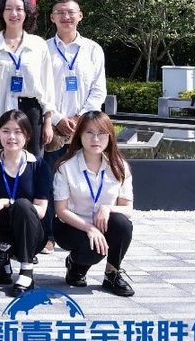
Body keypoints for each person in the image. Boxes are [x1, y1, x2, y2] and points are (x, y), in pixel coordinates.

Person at [42, 0, 107, 253]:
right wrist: (58, 118)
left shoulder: (93, 49)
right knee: (49, 181)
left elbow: (99, 89)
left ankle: (83, 230)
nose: (66, 17)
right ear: (52, 17)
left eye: (71, 12)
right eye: (60, 12)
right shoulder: (43, 49)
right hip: (53, 126)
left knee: (83, 180)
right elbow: (40, 90)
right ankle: (48, 236)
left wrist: (81, 118)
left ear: (80, 16)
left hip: (85, 127)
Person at [53, 110, 135, 297]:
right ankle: (75, 265)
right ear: (79, 135)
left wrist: (107, 208)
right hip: (72, 226)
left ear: (110, 136)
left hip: (103, 223)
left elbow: (128, 209)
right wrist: (89, 229)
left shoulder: (119, 166)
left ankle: (112, 273)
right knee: (93, 249)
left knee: (123, 224)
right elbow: (61, 210)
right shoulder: (66, 167)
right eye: (89, 132)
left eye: (101, 133)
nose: (95, 139)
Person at [0, 110, 50, 297]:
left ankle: (26, 270)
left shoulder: (39, 166)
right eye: (6, 131)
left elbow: (41, 210)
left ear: (27, 136)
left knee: (23, 205)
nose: (11, 137)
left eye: (18, 132)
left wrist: (7, 202)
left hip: (30, 233)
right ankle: (3, 263)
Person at [0, 0, 57, 157]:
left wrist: (48, 121)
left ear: (27, 12)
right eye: (8, 9)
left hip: (31, 112)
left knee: (32, 163)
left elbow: (48, 86)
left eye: (19, 9)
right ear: (1, 12)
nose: (14, 14)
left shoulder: (39, 45)